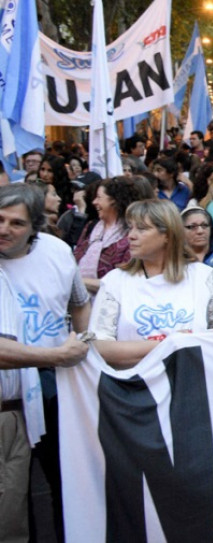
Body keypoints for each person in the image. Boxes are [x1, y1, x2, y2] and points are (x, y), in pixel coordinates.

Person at [0, 183, 91, 539]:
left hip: (55, 384)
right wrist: (59, 354)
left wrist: (82, 345)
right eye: (0, 219)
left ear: (35, 227)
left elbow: (80, 302)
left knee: (64, 483)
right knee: (11, 498)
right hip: (9, 398)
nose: (5, 229)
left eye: (17, 223)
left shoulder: (56, 251)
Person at [88, 200, 213, 369]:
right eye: (130, 227)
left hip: (191, 383)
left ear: (167, 234)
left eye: (142, 229)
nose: (131, 235)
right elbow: (100, 346)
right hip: (135, 388)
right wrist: (171, 344)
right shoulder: (115, 281)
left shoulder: (202, 277)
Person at [74, 176, 143, 294]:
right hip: (81, 302)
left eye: (99, 197)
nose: (94, 202)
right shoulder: (91, 227)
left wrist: (77, 281)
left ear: (114, 200)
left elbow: (123, 282)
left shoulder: (131, 234)